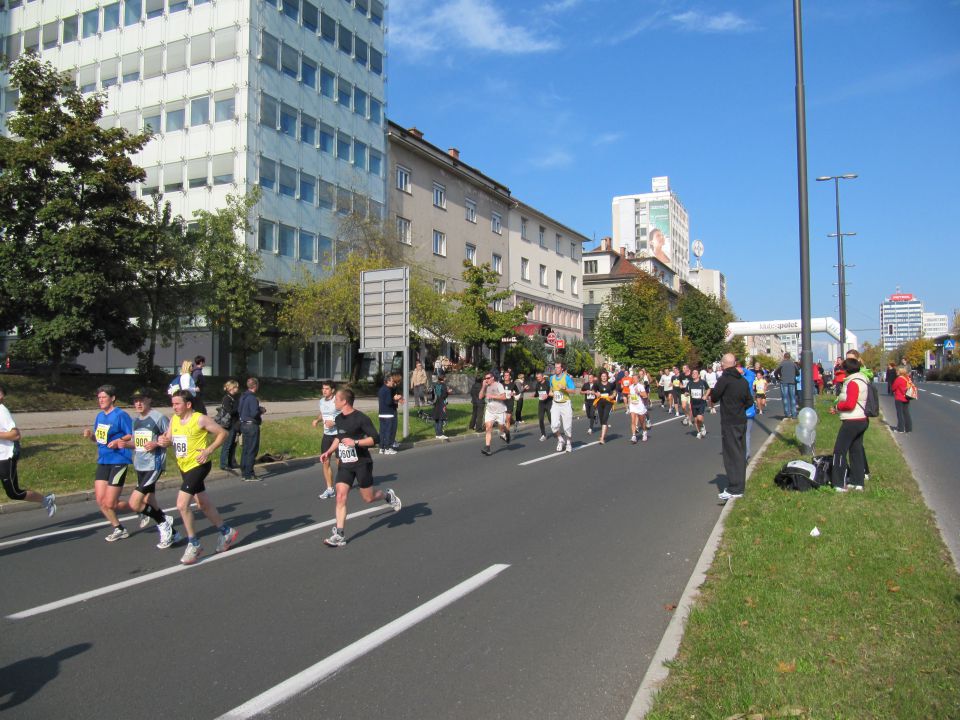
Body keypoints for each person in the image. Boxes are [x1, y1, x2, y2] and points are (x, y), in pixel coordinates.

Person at [158, 390, 238, 564]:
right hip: (184, 466)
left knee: (181, 504)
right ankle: (226, 532)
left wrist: (209, 450)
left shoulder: (200, 419)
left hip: (199, 465)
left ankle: (194, 544)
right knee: (203, 503)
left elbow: (222, 433)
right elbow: (169, 439)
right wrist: (163, 441)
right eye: (172, 404)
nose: (174, 407)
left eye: (177, 404)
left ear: (188, 405)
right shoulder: (174, 420)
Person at [319, 387, 401, 547]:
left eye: (336, 399)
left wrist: (355, 442)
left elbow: (375, 439)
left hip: (362, 463)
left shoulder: (360, 418)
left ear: (344, 401)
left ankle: (387, 496)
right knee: (340, 496)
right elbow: (338, 438)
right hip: (345, 465)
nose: (334, 402)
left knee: (368, 498)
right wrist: (328, 452)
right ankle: (339, 534)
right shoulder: (339, 418)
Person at [123, 389, 178, 548]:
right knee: (149, 500)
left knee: (135, 503)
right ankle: (172, 531)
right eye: (135, 401)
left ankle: (163, 523)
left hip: (154, 464)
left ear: (149, 400)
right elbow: (137, 442)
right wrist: (125, 444)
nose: (138, 403)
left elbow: (170, 438)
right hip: (140, 464)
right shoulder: (135, 421)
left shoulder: (158, 418)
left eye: (141, 400)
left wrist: (156, 443)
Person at [83, 385, 135, 541]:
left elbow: (131, 435)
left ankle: (140, 508)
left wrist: (118, 441)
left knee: (110, 502)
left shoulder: (120, 415)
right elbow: (99, 439)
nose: (101, 400)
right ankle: (119, 528)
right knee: (101, 500)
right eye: (99, 398)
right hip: (104, 460)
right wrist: (90, 436)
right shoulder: (100, 416)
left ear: (112, 398)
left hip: (119, 459)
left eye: (104, 397)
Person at [0, 384, 56, 516]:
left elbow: (15, 435)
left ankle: (45, 500)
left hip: (5, 457)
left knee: (13, 492)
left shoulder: (2, 411)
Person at [708, 354, 754, 502]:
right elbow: (749, 401)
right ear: (734, 364)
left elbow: (714, 397)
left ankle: (735, 488)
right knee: (740, 453)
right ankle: (739, 485)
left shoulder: (724, 379)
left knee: (731, 455)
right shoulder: (742, 381)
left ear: (723, 365)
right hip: (741, 420)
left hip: (729, 421)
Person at [829, 358, 870, 491]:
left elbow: (850, 403)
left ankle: (838, 483)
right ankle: (858, 482)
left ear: (847, 370)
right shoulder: (863, 379)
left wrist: (838, 407)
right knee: (856, 451)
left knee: (839, 451)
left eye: (843, 369)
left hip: (852, 420)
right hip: (862, 419)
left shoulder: (852, 383)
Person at [312, 381, 340, 499]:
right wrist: (317, 420)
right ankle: (330, 489)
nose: (324, 391)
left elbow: (345, 414)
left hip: (338, 435)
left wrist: (334, 422)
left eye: (327, 389)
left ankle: (343, 483)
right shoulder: (322, 401)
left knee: (340, 462)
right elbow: (323, 413)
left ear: (332, 390)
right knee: (325, 460)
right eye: (323, 389)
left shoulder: (338, 400)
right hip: (327, 435)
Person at [238, 377, 264, 481]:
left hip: (243, 424)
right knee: (252, 450)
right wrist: (260, 410)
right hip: (252, 425)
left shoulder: (243, 396)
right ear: (255, 386)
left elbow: (239, 409)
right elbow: (254, 413)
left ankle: (244, 472)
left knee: (245, 449)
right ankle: (249, 473)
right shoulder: (253, 398)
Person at [549, 360, 576, 453]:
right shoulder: (551, 378)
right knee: (554, 425)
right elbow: (551, 391)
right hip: (555, 404)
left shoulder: (566, 378)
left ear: (562, 368)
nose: (555, 369)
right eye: (555, 367)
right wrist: (550, 394)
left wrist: (565, 388)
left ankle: (568, 442)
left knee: (567, 427)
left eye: (557, 367)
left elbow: (573, 391)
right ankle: (560, 439)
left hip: (565, 404)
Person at [479, 371, 509, 456]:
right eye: (485, 378)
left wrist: (492, 396)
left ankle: (506, 432)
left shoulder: (498, 385)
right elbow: (480, 396)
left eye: (488, 378)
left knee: (501, 428)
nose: (486, 380)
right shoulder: (485, 386)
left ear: (492, 378)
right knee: (488, 428)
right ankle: (487, 448)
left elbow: (504, 397)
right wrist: (483, 386)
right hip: (490, 410)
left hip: (500, 410)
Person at [218, 380, 241, 471]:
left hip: (235, 424)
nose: (237, 389)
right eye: (235, 387)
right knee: (227, 444)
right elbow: (230, 411)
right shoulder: (226, 398)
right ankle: (223, 463)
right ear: (231, 388)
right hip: (229, 424)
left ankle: (231, 462)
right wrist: (238, 407)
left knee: (233, 444)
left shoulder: (235, 397)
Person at [377, 374, 403, 454]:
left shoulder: (381, 389)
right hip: (388, 413)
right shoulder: (388, 389)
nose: (393, 382)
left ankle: (381, 448)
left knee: (382, 431)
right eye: (392, 381)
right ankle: (388, 448)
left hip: (381, 413)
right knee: (388, 431)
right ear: (387, 381)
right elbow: (388, 402)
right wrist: (395, 399)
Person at [593, 370, 617, 444]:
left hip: (608, 403)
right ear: (600, 377)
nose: (604, 377)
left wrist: (613, 395)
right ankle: (604, 434)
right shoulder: (597, 384)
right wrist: (597, 393)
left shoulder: (611, 384)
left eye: (605, 376)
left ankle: (602, 438)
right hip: (600, 403)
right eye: (602, 376)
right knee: (602, 420)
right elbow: (594, 391)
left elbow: (615, 391)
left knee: (605, 419)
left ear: (607, 377)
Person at [627, 372, 649, 443]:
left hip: (640, 406)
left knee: (642, 422)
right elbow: (630, 395)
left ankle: (644, 432)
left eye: (636, 378)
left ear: (638, 379)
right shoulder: (630, 386)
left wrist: (639, 393)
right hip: (633, 405)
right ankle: (633, 436)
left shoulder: (640, 386)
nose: (634, 380)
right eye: (633, 379)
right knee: (633, 420)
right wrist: (628, 403)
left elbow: (645, 395)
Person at [688, 368, 710, 439]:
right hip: (693, 403)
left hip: (701, 403)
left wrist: (706, 395)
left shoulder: (703, 382)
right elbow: (686, 391)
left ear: (699, 375)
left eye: (695, 373)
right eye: (693, 373)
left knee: (699, 418)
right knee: (695, 419)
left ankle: (702, 426)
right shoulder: (690, 383)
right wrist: (686, 393)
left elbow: (709, 389)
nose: (693, 374)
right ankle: (699, 432)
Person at [776, 352, 799, 419]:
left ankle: (787, 413)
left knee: (785, 397)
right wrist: (794, 375)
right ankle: (794, 414)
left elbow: (776, 371)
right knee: (792, 397)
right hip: (792, 382)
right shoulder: (793, 364)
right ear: (790, 357)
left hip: (783, 382)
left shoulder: (782, 363)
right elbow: (797, 372)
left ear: (784, 357)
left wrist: (778, 377)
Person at [891, 366, 913, 433]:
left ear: (900, 372)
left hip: (899, 398)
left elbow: (893, 388)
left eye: (897, 371)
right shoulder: (907, 378)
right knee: (906, 413)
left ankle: (900, 428)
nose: (896, 372)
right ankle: (908, 428)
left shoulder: (899, 379)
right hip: (906, 397)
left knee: (900, 413)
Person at [534, 370, 553, 441]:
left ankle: (555, 429)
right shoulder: (537, 384)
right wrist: (534, 395)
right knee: (541, 419)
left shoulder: (548, 383)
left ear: (542, 377)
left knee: (550, 418)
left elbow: (551, 393)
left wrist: (547, 395)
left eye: (539, 377)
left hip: (548, 403)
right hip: (541, 404)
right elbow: (537, 393)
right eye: (537, 378)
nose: (538, 379)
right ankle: (543, 434)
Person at [431, 371, 450, 440]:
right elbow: (444, 395)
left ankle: (437, 433)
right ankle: (440, 434)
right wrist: (448, 392)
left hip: (436, 402)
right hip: (441, 402)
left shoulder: (435, 384)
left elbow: (433, 394)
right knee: (441, 418)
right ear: (444, 378)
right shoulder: (444, 385)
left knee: (436, 418)